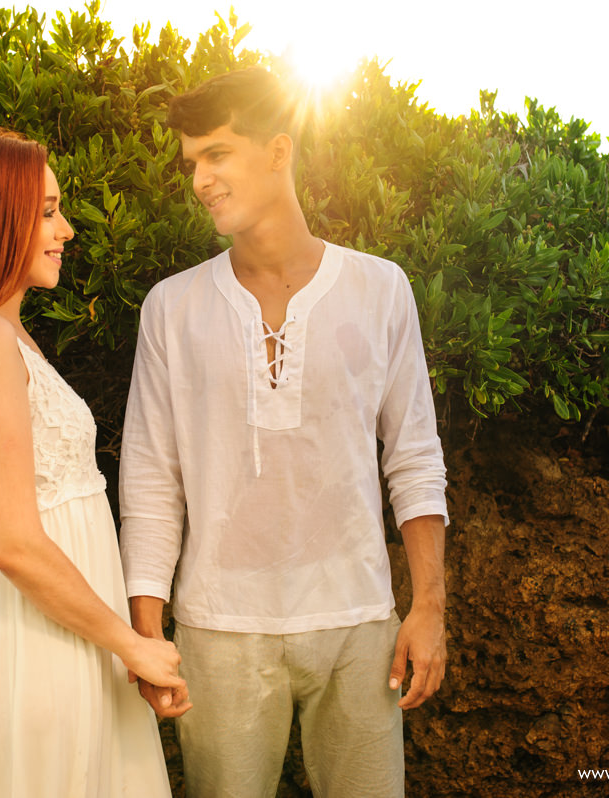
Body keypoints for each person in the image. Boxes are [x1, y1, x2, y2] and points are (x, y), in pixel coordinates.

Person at [120, 68, 449, 797]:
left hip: (360, 623)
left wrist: (429, 607)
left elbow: (415, 457)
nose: (201, 179)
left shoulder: (380, 289)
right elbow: (149, 479)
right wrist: (148, 635)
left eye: (218, 154)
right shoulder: (170, 309)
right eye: (191, 163)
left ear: (278, 151)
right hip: (218, 629)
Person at [0, 127, 181, 798]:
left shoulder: (2, 333)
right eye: (48, 210)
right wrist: (132, 643)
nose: (69, 228)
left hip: (61, 631)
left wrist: (118, 643)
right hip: (20, 645)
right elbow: (14, 543)